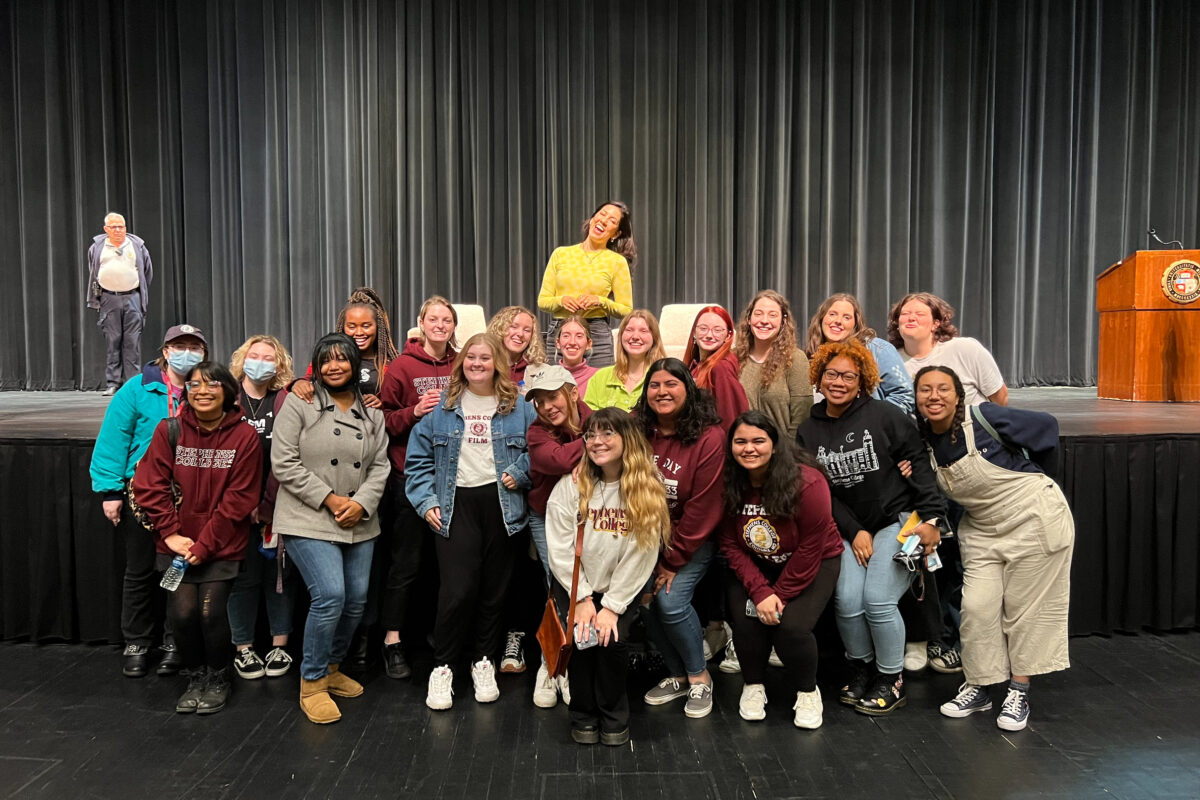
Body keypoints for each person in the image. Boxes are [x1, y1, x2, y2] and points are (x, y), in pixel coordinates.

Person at [915, 366, 1073, 732]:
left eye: (943, 389)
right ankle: (981, 686)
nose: (934, 396)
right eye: (925, 390)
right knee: (976, 607)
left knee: (1025, 609)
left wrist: (1043, 482)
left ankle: (1019, 691)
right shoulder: (923, 443)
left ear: (958, 395)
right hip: (984, 528)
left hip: (1034, 518)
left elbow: (1047, 427)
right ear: (917, 397)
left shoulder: (984, 417)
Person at [795, 339, 945, 716]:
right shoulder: (808, 430)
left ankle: (890, 678)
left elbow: (920, 467)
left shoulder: (885, 416)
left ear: (862, 380)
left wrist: (932, 520)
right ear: (819, 376)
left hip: (896, 522)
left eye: (849, 375)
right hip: (845, 528)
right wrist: (853, 530)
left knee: (877, 600)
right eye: (832, 374)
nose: (839, 382)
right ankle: (861, 669)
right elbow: (821, 491)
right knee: (846, 602)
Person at [405, 333, 537, 711]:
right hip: (455, 503)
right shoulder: (444, 407)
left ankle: (484, 661)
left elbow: (539, 448)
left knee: (494, 591)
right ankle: (443, 668)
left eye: (485, 357)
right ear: (462, 361)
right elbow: (417, 459)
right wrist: (426, 500)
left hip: (502, 505)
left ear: (498, 362)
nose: (477, 363)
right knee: (457, 590)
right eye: (470, 357)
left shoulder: (520, 407)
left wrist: (521, 471)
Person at [271, 333, 390, 724]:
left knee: (356, 600)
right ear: (316, 366)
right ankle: (312, 680)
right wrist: (331, 499)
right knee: (330, 595)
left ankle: (333, 665)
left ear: (357, 366)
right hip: (309, 515)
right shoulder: (300, 402)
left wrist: (360, 504)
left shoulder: (372, 412)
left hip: (358, 518)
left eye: (342, 360)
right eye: (326, 360)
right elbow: (284, 462)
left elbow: (380, 467)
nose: (334, 366)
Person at [131, 362, 262, 715]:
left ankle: (218, 677)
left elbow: (240, 499)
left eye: (212, 385)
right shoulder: (169, 430)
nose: (202, 391)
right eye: (194, 385)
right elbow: (149, 485)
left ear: (228, 392)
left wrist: (205, 545)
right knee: (183, 615)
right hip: (174, 546)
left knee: (210, 614)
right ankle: (195, 676)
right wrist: (171, 533)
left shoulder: (245, 436)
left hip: (221, 546)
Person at [90, 323, 208, 679]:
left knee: (180, 570)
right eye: (179, 345)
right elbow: (113, 439)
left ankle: (175, 641)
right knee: (140, 571)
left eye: (194, 347)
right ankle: (138, 641)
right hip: (144, 496)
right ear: (166, 350)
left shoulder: (207, 388)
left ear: (203, 353)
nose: (187, 352)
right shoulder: (137, 390)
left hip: (190, 496)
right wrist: (110, 491)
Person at [545, 407, 669, 745]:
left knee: (612, 644)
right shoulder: (572, 485)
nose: (597, 442)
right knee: (582, 644)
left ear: (626, 438)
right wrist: (584, 599)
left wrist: (612, 606)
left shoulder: (646, 486)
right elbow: (559, 546)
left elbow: (642, 554)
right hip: (576, 586)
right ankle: (583, 716)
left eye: (607, 434)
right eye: (591, 436)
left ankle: (615, 718)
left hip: (621, 591)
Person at [721, 411, 843, 728]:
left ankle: (807, 691)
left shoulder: (808, 482)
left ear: (774, 445)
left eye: (758, 441)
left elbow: (811, 547)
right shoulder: (727, 482)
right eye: (741, 441)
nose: (749, 448)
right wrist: (761, 592)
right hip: (756, 563)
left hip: (813, 561)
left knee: (792, 627)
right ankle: (753, 685)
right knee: (745, 621)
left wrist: (781, 595)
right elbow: (730, 543)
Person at [634, 358, 725, 719]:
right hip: (643, 541)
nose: (662, 392)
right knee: (640, 601)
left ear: (688, 389)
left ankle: (700, 676)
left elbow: (704, 509)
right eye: (654, 385)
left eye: (671, 384)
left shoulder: (709, 437)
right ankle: (677, 675)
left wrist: (671, 561)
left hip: (691, 540)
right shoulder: (639, 430)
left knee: (669, 602)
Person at [377, 296, 459, 680]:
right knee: (405, 565)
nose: (440, 325)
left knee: (441, 567)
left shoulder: (462, 364)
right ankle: (392, 640)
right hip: (410, 479)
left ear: (453, 326)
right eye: (433, 318)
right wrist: (415, 412)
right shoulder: (401, 367)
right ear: (421, 323)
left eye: (447, 319)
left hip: (454, 482)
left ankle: (434, 634)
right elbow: (383, 421)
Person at [226, 335, 298, 680]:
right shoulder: (227, 398)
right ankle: (244, 648)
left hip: (279, 504)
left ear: (279, 365)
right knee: (243, 579)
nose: (261, 362)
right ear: (243, 360)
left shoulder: (285, 399)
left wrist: (267, 505)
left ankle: (279, 647)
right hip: (235, 508)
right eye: (254, 356)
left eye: (268, 358)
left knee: (279, 577)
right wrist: (244, 505)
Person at [525, 364, 592, 707]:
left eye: (553, 397)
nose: (548, 406)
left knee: (581, 586)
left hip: (585, 517)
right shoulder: (537, 432)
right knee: (558, 585)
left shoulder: (592, 418)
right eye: (539, 401)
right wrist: (592, 442)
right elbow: (560, 459)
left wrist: (591, 441)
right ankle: (550, 666)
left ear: (572, 393)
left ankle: (570, 664)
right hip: (545, 516)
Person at [538, 200, 636, 367]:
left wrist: (600, 301)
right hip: (561, 331)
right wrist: (561, 301)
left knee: (597, 389)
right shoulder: (561, 254)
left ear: (616, 234)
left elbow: (626, 309)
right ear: (592, 219)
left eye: (612, 221)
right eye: (602, 214)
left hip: (596, 334)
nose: (604, 221)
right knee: (556, 390)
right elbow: (543, 301)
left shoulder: (617, 262)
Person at [887, 292, 1008, 406]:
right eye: (905, 314)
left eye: (920, 314)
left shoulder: (965, 349)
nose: (911, 318)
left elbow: (1000, 398)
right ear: (897, 323)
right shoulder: (889, 359)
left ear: (936, 324)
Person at [293, 287, 401, 409]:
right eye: (352, 326)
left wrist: (382, 404)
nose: (359, 332)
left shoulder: (392, 362)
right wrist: (298, 383)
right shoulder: (328, 358)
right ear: (343, 327)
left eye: (366, 326)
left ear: (378, 327)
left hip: (376, 424)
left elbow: (399, 403)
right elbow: (308, 380)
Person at [806, 293, 914, 414]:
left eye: (847, 317)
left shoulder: (878, 350)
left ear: (855, 325)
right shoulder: (810, 356)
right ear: (822, 319)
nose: (838, 321)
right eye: (832, 314)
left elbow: (905, 396)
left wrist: (873, 422)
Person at [86, 212, 154, 395]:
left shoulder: (137, 245)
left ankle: (132, 383)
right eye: (114, 227)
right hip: (109, 299)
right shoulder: (98, 247)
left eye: (121, 226)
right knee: (112, 341)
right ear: (106, 229)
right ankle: (113, 383)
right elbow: (93, 270)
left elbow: (147, 272)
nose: (118, 230)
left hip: (132, 297)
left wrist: (137, 291)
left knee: (132, 342)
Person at [733, 290, 813, 438]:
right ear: (749, 319)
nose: (764, 320)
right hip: (741, 451)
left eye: (772, 315)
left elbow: (801, 416)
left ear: (783, 321)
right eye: (758, 314)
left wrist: (787, 454)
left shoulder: (795, 359)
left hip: (782, 452)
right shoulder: (733, 358)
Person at [584, 310, 667, 412]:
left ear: (654, 337)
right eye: (629, 330)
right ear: (621, 336)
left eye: (643, 331)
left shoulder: (664, 377)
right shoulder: (599, 378)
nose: (635, 337)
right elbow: (589, 419)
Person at [683, 305, 749, 433]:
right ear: (694, 333)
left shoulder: (721, 368)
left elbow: (730, 418)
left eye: (717, 330)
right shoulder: (695, 365)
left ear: (728, 336)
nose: (709, 335)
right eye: (703, 329)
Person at [486, 305, 545, 386]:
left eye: (527, 330)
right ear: (499, 328)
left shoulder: (540, 370)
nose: (520, 334)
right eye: (514, 327)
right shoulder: (484, 364)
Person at [553, 314, 599, 396]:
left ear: (589, 343)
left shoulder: (598, 377)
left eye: (579, 336)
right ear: (558, 343)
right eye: (566, 336)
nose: (572, 342)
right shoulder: (547, 376)